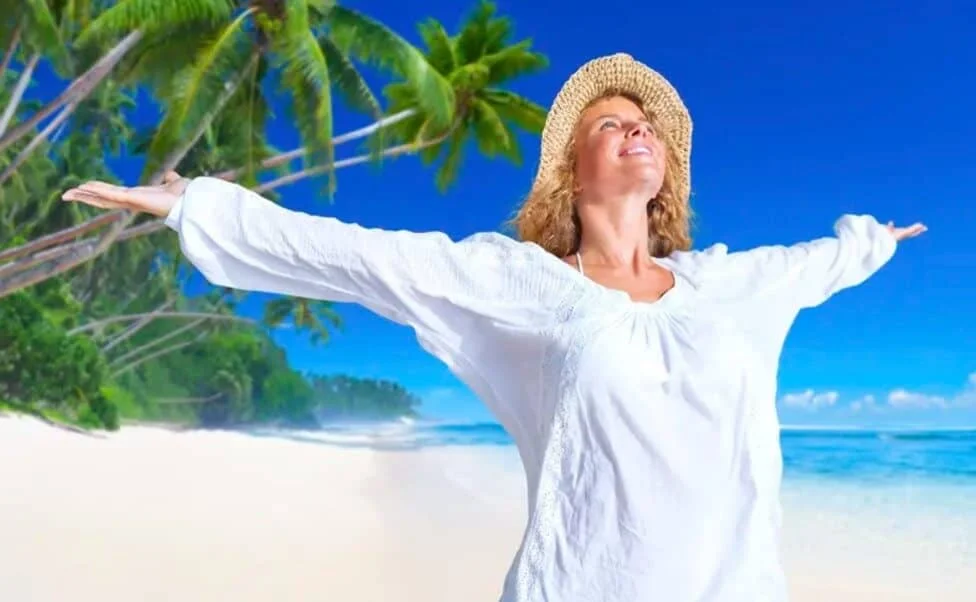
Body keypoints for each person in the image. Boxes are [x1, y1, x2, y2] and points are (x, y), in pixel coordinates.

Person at [63, 53, 926, 601]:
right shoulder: (526, 285)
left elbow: (818, 261)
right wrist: (198, 208)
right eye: (609, 124)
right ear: (570, 173)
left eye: (644, 125)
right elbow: (364, 258)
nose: (635, 130)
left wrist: (873, 242)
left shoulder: (731, 285)